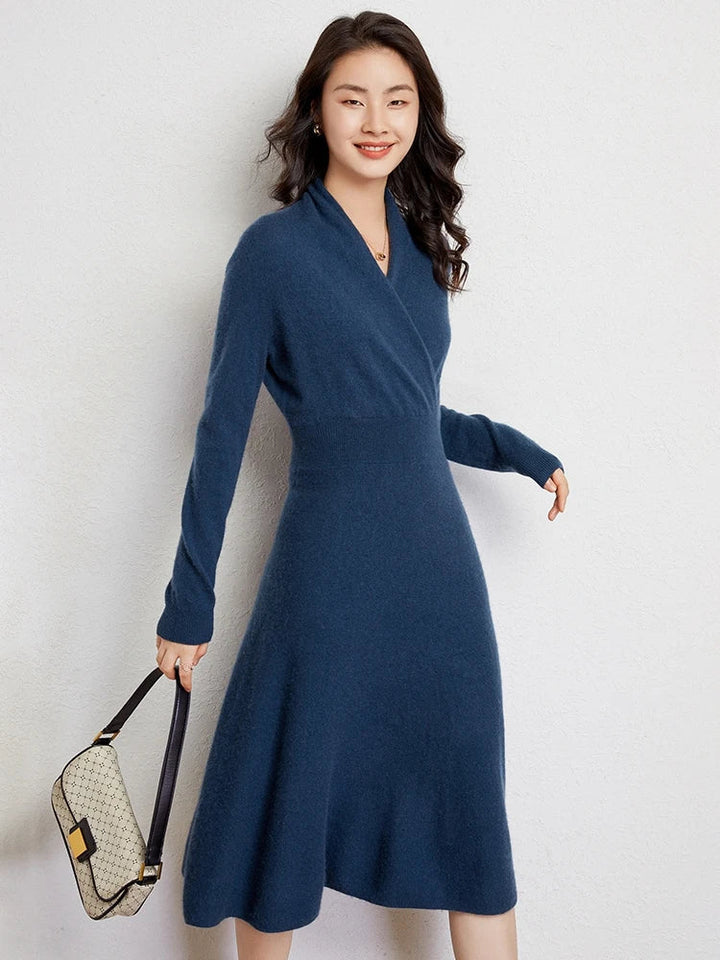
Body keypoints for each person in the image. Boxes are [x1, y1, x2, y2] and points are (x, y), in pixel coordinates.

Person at [155, 11, 569, 960]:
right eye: (352, 99)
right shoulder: (272, 255)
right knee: (286, 803)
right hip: (329, 573)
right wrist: (188, 604)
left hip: (441, 580)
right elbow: (220, 438)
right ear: (315, 113)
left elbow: (405, 413)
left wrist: (514, 448)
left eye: (398, 99)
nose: (376, 120)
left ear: (420, 114)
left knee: (471, 816)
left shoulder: (424, 253)